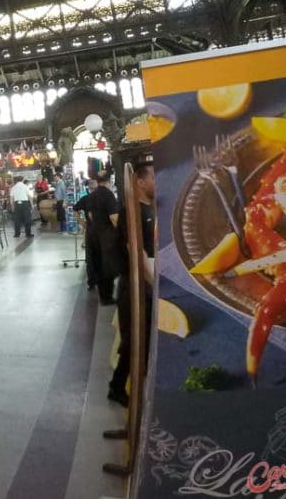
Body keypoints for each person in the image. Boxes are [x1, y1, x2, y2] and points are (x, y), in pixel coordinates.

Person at [108, 164, 156, 408]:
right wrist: (154, 282)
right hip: (135, 284)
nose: (157, 181)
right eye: (153, 177)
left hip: (152, 280)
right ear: (139, 181)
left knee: (146, 338)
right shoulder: (132, 213)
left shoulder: (155, 208)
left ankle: (141, 385)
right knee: (134, 338)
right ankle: (118, 387)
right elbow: (136, 252)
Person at [87, 171, 121, 305]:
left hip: (94, 234)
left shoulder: (92, 195)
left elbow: (90, 215)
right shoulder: (108, 194)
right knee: (109, 266)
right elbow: (114, 217)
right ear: (109, 181)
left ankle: (104, 296)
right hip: (107, 236)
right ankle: (108, 297)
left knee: (99, 264)